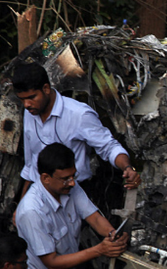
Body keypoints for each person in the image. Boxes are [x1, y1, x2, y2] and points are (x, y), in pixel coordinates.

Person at [15, 143, 128, 269]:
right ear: (45, 178)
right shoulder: (32, 211)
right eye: (65, 179)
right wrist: (100, 250)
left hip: (75, 268)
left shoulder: (70, 189)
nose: (72, 183)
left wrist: (113, 235)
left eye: (73, 176)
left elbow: (94, 218)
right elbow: (52, 262)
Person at [12, 62, 140, 196]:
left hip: (74, 193)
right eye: (22, 99)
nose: (26, 104)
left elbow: (109, 147)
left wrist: (127, 168)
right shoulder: (30, 112)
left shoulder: (79, 114)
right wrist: (21, 206)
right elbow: (30, 166)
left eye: (32, 97)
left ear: (46, 89)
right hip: (39, 195)